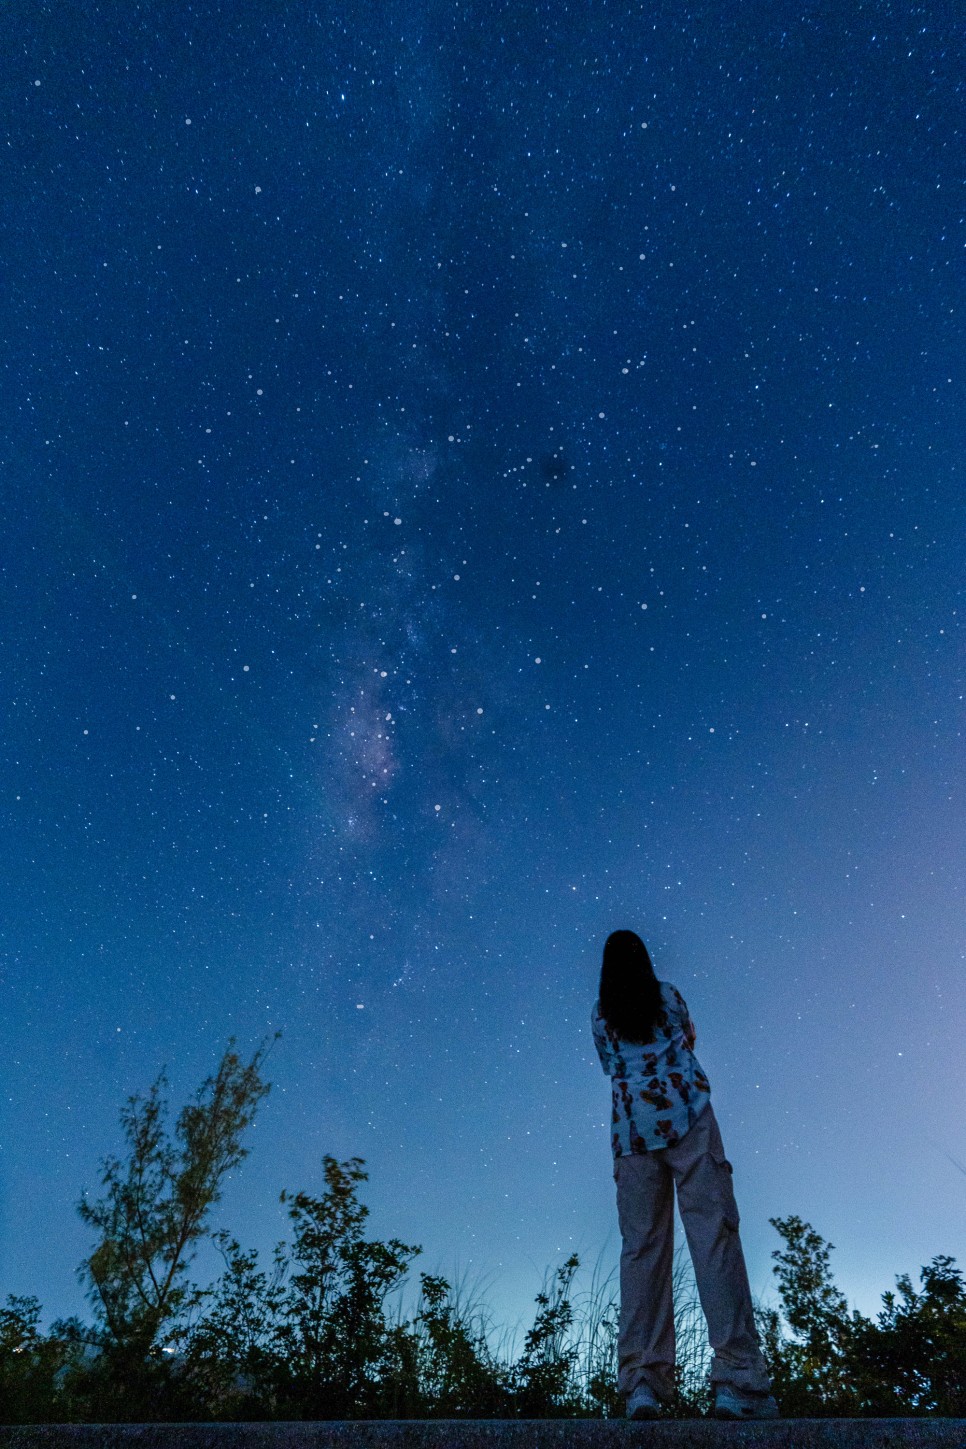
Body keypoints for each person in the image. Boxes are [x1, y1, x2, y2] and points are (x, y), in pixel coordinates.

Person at [591, 929, 779, 1421]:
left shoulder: (601, 1016)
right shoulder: (668, 997)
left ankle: (643, 1385)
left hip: (633, 1137)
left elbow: (611, 1066)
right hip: (689, 1121)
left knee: (642, 1254)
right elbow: (689, 1038)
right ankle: (739, 1381)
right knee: (713, 1239)